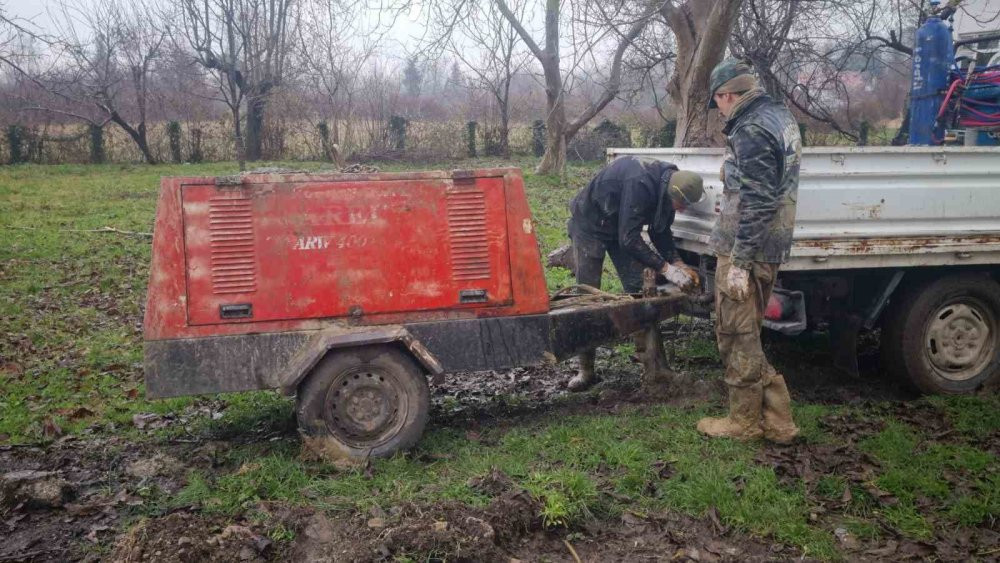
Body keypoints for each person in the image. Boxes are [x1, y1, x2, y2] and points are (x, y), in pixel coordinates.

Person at [696, 58, 802, 444]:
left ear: (726, 95)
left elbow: (758, 200)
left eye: (718, 102)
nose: (719, 109)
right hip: (769, 245)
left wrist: (739, 261)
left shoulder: (752, 128)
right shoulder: (779, 117)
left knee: (735, 333)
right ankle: (778, 419)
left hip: (749, 247)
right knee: (749, 332)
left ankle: (744, 422)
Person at [565, 156, 705, 391]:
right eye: (681, 205)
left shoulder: (670, 185)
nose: (683, 210)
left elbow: (661, 231)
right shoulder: (639, 182)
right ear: (674, 193)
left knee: (640, 289)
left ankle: (655, 365)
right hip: (590, 224)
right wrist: (666, 270)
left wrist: (678, 262)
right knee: (587, 298)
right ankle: (586, 370)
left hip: (621, 225)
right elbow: (629, 238)